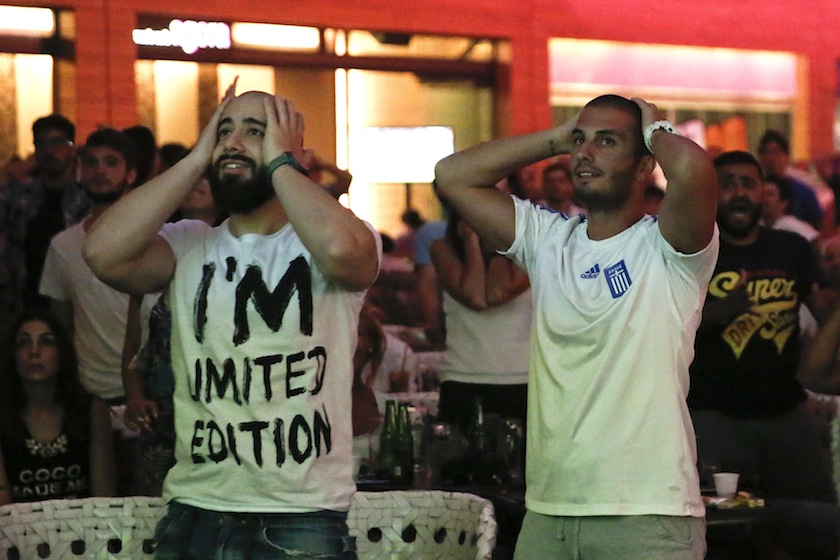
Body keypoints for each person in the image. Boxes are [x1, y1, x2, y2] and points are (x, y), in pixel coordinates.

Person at [83, 86, 380, 559]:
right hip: (196, 508)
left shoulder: (327, 240)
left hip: (301, 512)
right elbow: (101, 252)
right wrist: (198, 157)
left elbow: (348, 256)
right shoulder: (188, 243)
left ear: (293, 153)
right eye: (224, 131)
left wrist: (282, 163)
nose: (234, 142)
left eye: (255, 131)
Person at [434, 94, 718, 559]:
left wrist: (655, 131)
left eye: (607, 141)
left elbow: (693, 173)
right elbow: (453, 176)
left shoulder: (668, 247)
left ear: (645, 164)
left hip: (647, 513)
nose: (585, 152)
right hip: (549, 513)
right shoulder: (550, 239)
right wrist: (556, 138)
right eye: (580, 141)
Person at [689, 151, 836, 507]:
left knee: (811, 518)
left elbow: (821, 313)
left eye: (748, 184)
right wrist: (720, 311)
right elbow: (663, 328)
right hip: (714, 416)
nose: (739, 193)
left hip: (785, 412)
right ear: (711, 193)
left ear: (762, 192)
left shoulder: (791, 247)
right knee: (725, 528)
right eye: (727, 184)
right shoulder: (693, 252)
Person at [38, 127, 143, 495]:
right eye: (92, 162)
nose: (100, 171)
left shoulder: (160, 240)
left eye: (111, 163)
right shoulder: (64, 246)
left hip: (150, 397)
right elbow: (60, 327)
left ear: (131, 174)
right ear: (79, 170)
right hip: (90, 399)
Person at [121, 172, 225, 497]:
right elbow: (135, 351)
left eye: (209, 177)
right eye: (192, 175)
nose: (198, 182)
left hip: (219, 417)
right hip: (163, 417)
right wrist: (135, 397)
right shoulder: (152, 256)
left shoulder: (237, 254)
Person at [430, 210, 531, 434]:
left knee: (520, 465)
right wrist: (471, 243)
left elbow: (497, 293)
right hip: (463, 375)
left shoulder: (529, 252)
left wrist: (496, 248)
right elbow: (475, 296)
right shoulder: (443, 249)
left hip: (521, 377)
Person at [0, 309, 115, 504]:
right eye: (24, 343)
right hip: (19, 531)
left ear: (62, 354)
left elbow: (104, 500)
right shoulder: (3, 414)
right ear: (14, 356)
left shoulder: (92, 411)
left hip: (84, 529)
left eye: (46, 342)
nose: (34, 352)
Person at [0, 114, 90, 321]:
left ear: (71, 148)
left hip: (75, 302)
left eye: (57, 142)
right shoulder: (21, 197)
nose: (50, 150)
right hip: (27, 300)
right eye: (42, 144)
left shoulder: (86, 197)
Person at [758, 129, 831, 234]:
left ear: (787, 157)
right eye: (766, 152)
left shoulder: (804, 192)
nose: (771, 158)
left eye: (776, 152)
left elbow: (818, 227)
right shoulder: (754, 190)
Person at [762, 173, 820, 244]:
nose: (763, 198)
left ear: (783, 203)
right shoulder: (761, 225)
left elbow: (815, 241)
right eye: (761, 193)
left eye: (769, 194)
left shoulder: (788, 224)